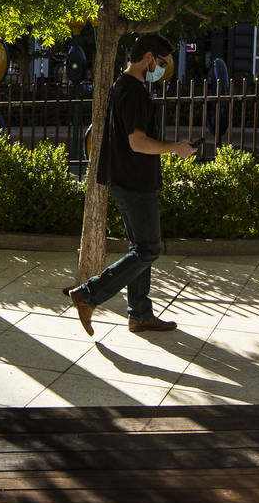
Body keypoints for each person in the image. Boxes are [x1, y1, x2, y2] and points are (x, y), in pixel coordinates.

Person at [67, 34, 198, 336]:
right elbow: (137, 143)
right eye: (161, 63)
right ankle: (88, 294)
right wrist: (175, 148)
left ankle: (139, 315)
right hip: (134, 182)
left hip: (126, 179)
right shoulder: (134, 92)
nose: (162, 69)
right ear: (148, 57)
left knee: (140, 248)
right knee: (149, 249)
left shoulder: (121, 86)